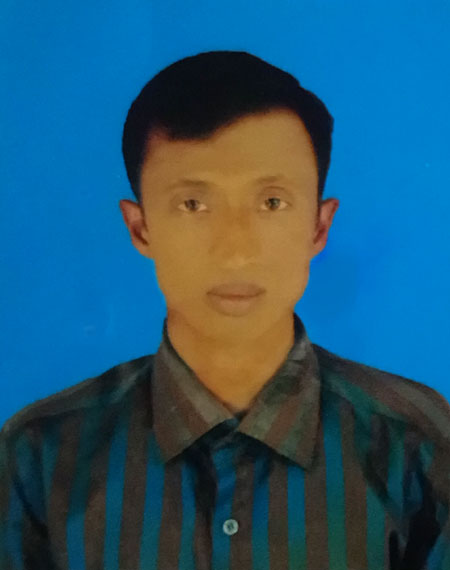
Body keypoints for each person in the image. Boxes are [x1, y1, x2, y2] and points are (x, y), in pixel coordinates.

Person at [1, 50, 449, 570]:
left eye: (272, 202)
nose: (236, 251)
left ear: (319, 226)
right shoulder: (40, 455)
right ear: (140, 228)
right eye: (194, 204)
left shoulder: (418, 442)